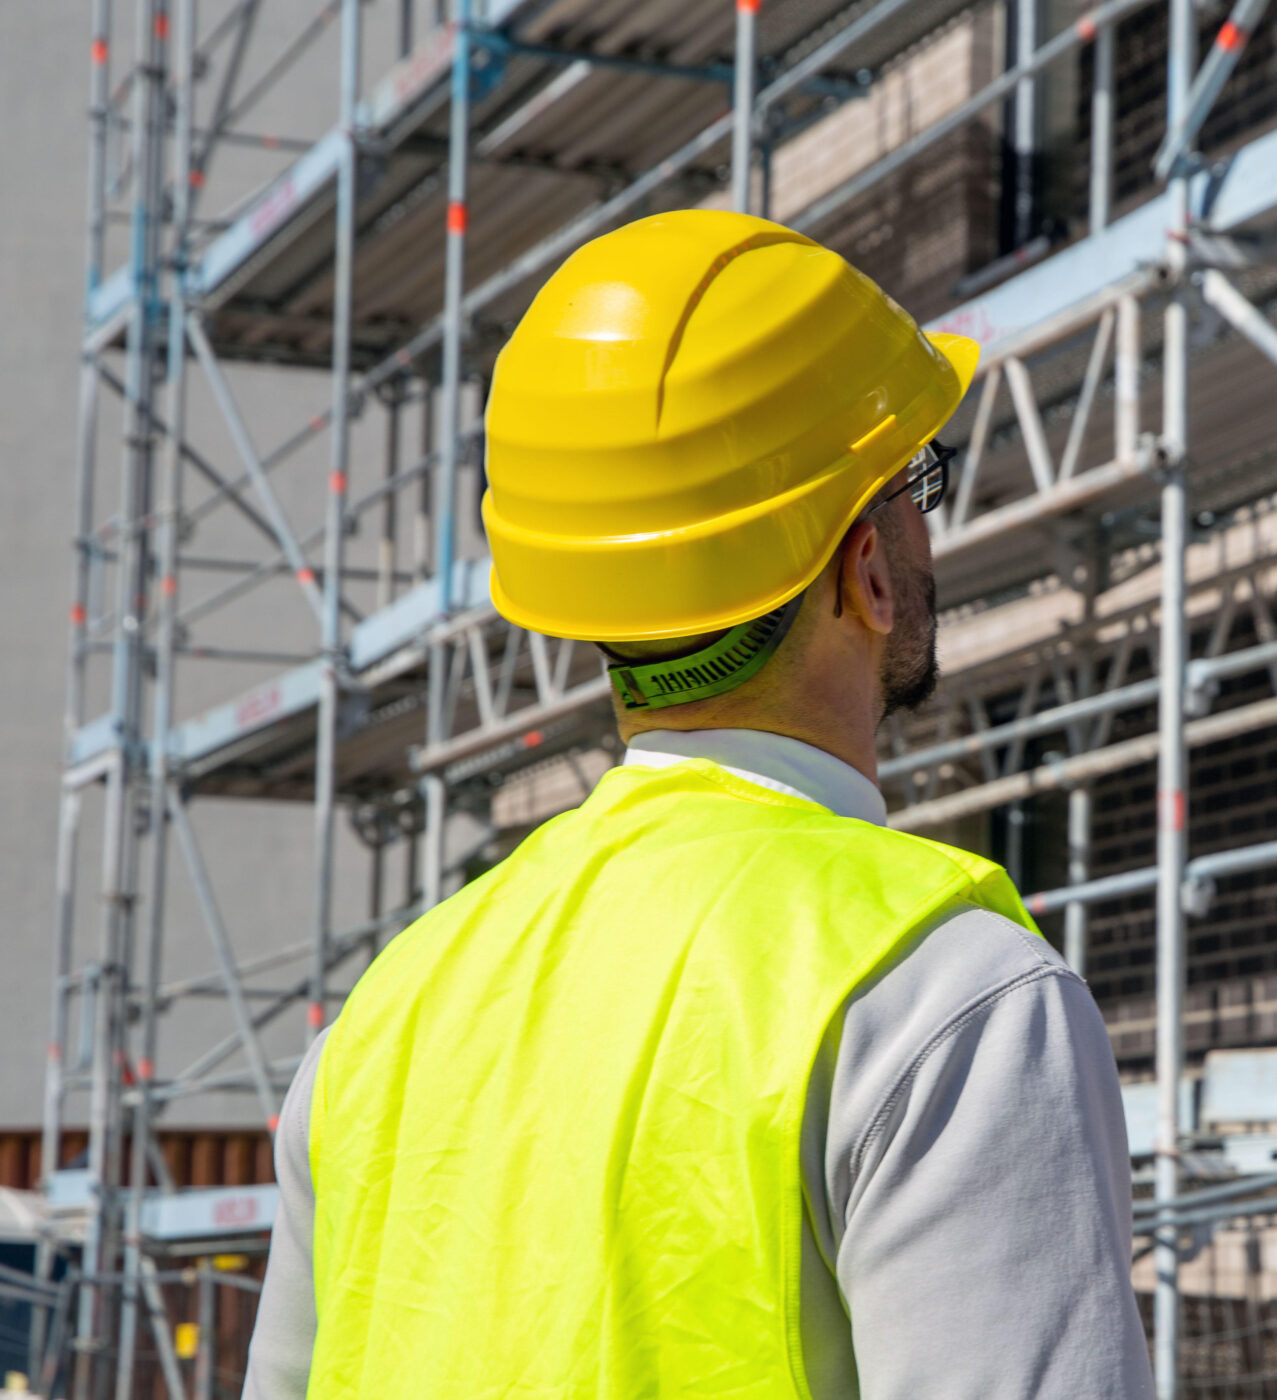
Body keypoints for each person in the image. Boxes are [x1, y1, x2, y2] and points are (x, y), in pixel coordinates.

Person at [243, 210, 1152, 1399]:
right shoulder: (945, 1001)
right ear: (864, 569)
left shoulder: (376, 1031)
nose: (928, 529)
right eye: (912, 485)